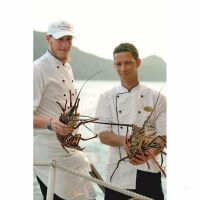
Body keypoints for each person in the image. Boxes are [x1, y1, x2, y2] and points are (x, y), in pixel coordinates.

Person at [94, 43, 166, 200]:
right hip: (117, 173)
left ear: (138, 63)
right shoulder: (106, 98)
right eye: (118, 64)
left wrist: (150, 153)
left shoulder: (157, 97)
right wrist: (124, 140)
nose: (123, 69)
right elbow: (103, 134)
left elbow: (163, 135)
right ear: (114, 65)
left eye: (128, 63)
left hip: (149, 170)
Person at [33, 20, 96, 200]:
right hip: (48, 155)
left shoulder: (67, 67)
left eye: (68, 39)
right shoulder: (37, 69)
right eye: (60, 39)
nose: (65, 45)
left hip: (70, 150)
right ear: (48, 39)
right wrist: (51, 123)